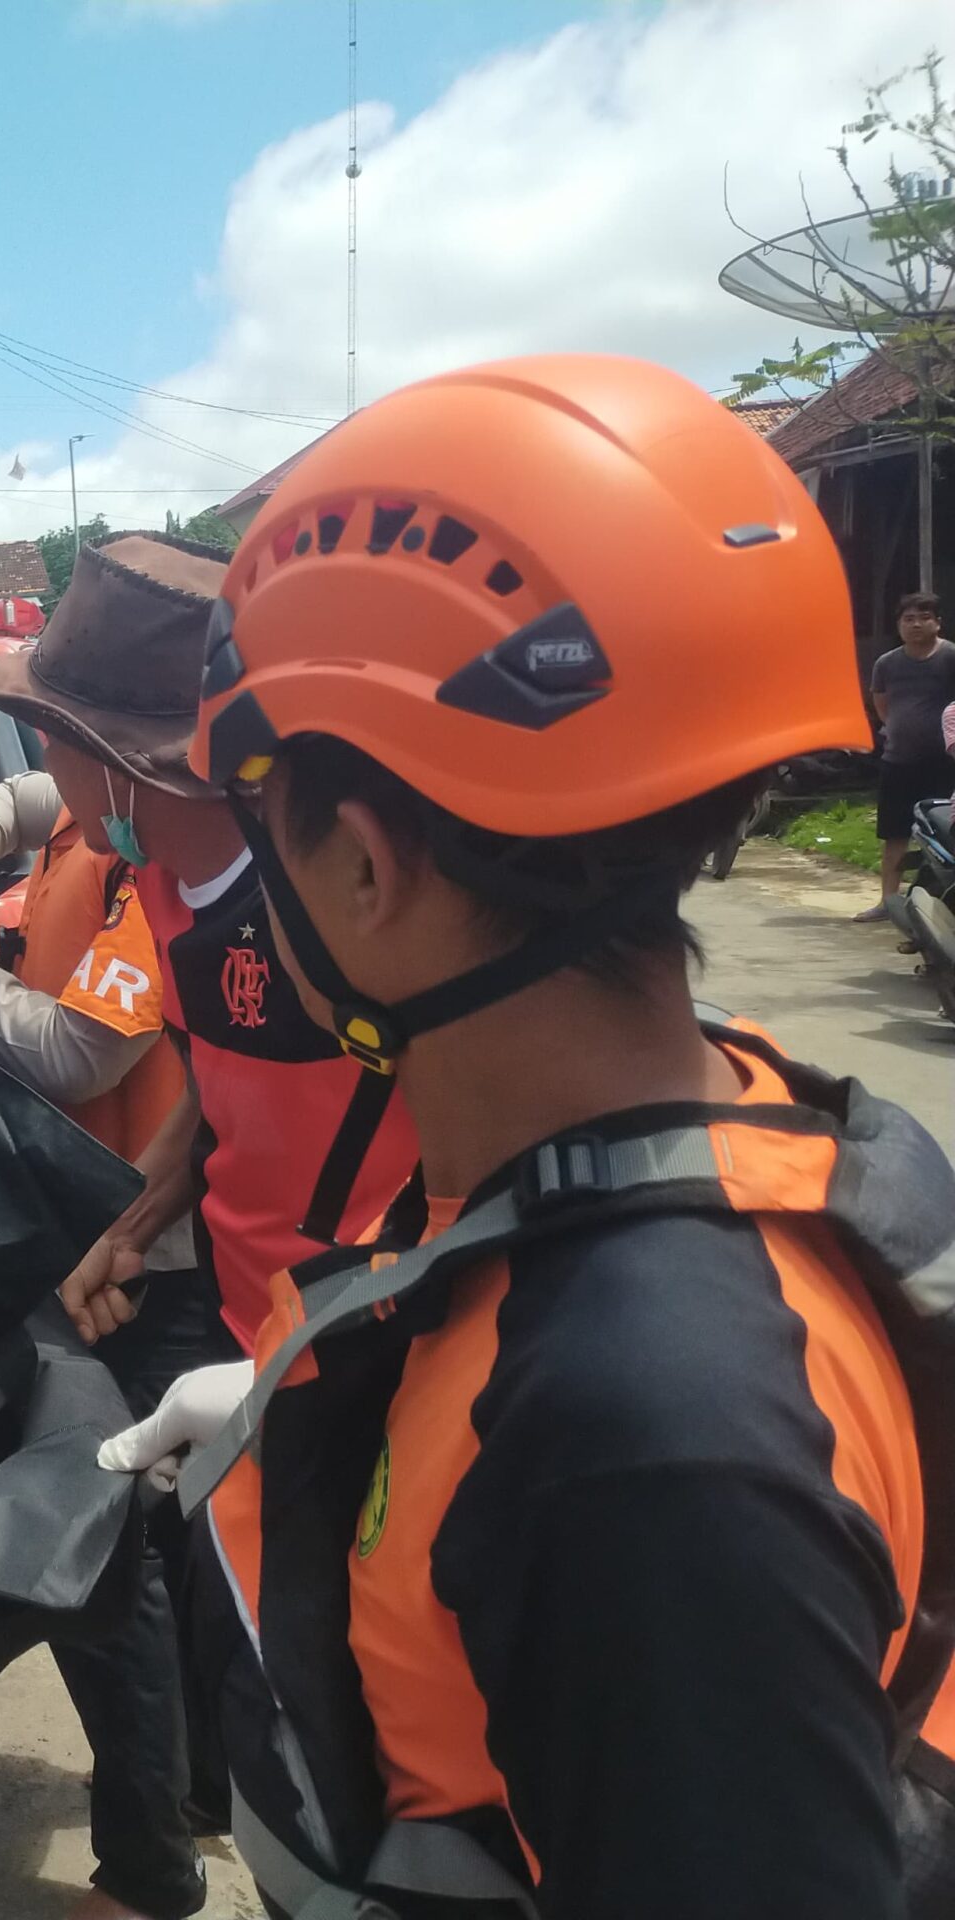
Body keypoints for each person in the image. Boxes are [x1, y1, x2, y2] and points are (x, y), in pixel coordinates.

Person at [100, 354, 955, 1915]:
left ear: (360, 866)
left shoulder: (641, 1438)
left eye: (258, 817)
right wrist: (337, 1394)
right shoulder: (671, 1117)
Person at [0, 536, 246, 1920]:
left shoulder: (210, 892)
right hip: (127, 1237)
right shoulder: (126, 831)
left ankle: (151, 1869)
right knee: (180, 1551)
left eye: (51, 725)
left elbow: (80, 1058)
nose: (37, 754)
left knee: (103, 1566)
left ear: (128, 751)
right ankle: (200, 1799)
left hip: (191, 1278)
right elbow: (31, 812)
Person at [29, 536, 418, 1360]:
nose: (41, 755)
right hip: (241, 1326)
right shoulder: (165, 888)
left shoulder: (334, 901)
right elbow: (215, 1093)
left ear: (118, 765)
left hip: (368, 1348)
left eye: (51, 730)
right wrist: (129, 1232)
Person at [859, 590, 955, 923]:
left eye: (923, 617)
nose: (915, 624)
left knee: (945, 838)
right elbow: (881, 703)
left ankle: (940, 907)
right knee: (894, 835)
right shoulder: (886, 663)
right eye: (908, 619)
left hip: (945, 765)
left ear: (938, 623)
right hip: (898, 762)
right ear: (899, 625)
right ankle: (889, 902)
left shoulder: (950, 658)